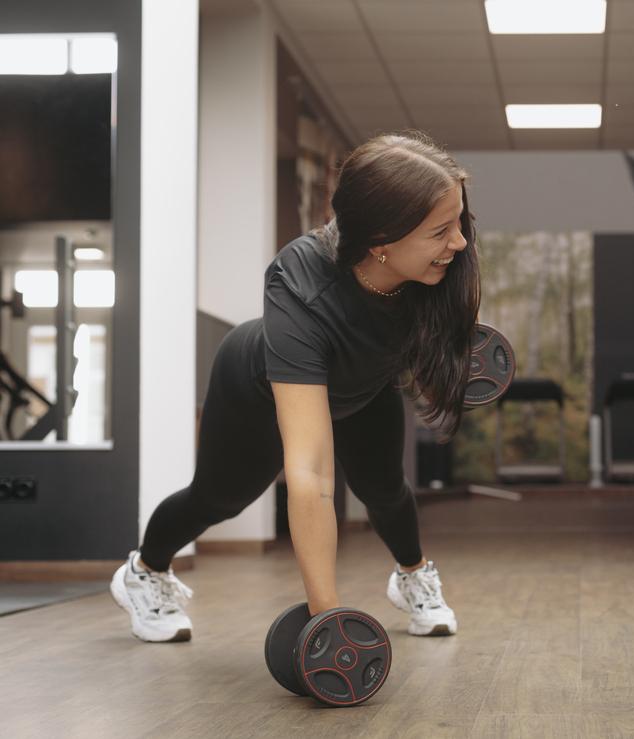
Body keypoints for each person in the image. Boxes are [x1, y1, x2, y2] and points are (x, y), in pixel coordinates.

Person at [111, 132, 477, 642]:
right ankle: (144, 573)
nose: (458, 242)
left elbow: (438, 336)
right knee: (220, 498)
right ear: (381, 244)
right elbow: (309, 474)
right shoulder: (303, 281)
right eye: (441, 232)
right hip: (261, 386)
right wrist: (329, 624)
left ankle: (413, 577)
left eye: (458, 222)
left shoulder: (439, 263)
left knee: (386, 491)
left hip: (363, 381)